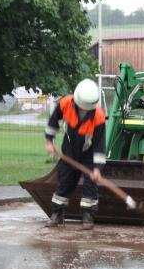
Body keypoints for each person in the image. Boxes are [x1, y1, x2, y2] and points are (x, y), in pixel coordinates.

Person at [44, 79, 106, 230]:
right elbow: (53, 122)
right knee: (65, 181)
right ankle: (57, 214)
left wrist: (97, 168)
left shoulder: (98, 116)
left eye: (87, 109)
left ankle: (88, 217)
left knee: (90, 186)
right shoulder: (65, 103)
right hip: (69, 151)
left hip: (88, 154)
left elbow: (99, 145)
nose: (84, 110)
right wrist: (49, 142)